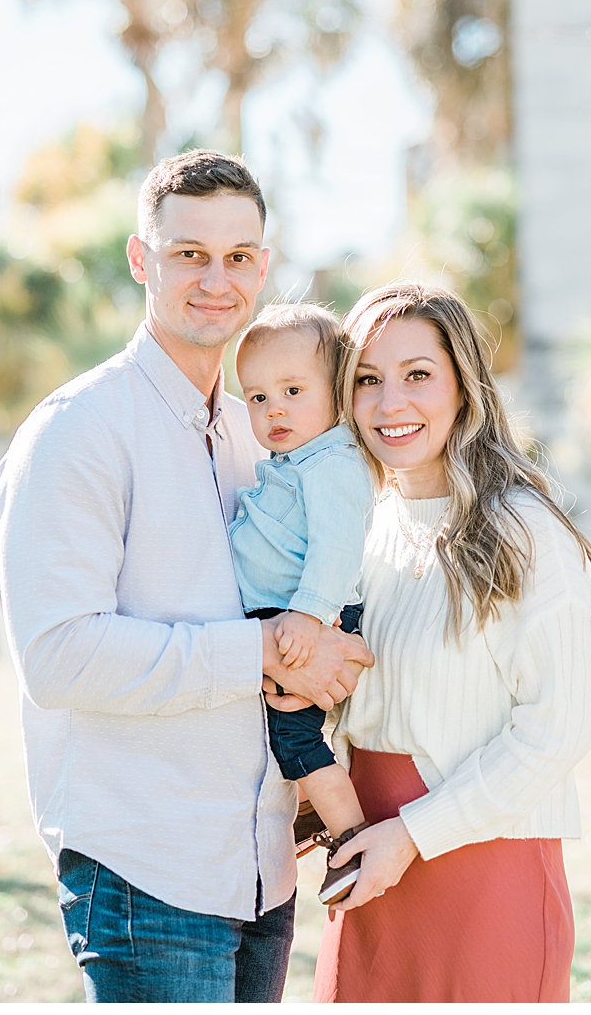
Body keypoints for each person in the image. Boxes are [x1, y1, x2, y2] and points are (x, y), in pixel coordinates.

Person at [0, 149, 373, 1003]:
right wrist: (262, 652)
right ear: (141, 260)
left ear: (263, 267)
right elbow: (57, 659)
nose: (216, 279)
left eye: (238, 256)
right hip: (144, 873)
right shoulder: (78, 432)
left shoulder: (261, 434)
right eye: (189, 253)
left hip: (263, 869)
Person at [281, 281, 591, 1002]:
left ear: (464, 386)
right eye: (367, 380)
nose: (391, 403)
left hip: (485, 870)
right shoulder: (357, 531)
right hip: (364, 859)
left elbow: (559, 727)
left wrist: (416, 834)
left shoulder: (524, 530)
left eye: (418, 375)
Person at [229, 302, 375, 905]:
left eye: (293, 390)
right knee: (279, 726)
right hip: (287, 614)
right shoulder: (297, 461)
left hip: (307, 615)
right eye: (257, 398)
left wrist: (310, 617)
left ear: (337, 392)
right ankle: (313, 811)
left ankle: (351, 838)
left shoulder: (332, 463)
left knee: (296, 738)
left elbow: (338, 547)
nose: (274, 409)